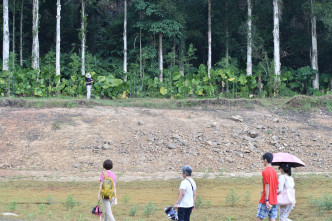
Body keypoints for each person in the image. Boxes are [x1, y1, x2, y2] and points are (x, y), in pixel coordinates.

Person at [256, 153, 279, 221]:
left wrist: (266, 200)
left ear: (265, 160)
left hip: (266, 200)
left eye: (263, 160)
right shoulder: (274, 171)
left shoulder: (265, 171)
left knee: (259, 218)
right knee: (272, 218)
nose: (263, 161)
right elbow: (277, 186)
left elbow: (267, 186)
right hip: (274, 199)